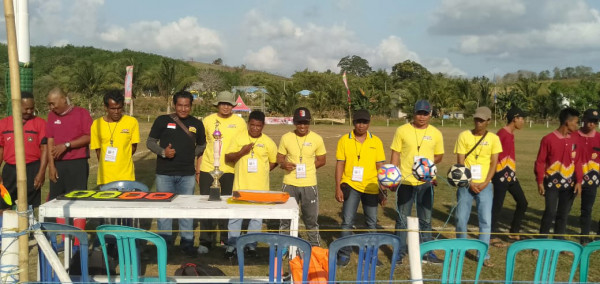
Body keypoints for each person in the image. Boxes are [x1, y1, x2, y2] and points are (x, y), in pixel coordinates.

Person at [146, 90, 206, 255]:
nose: (183, 109)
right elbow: (150, 142)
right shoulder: (162, 120)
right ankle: (165, 245)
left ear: (191, 106)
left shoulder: (197, 124)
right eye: (180, 105)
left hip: (187, 175)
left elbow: (202, 145)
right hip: (165, 174)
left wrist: (190, 153)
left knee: (186, 210)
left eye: (187, 105)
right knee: (165, 211)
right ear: (174, 105)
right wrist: (163, 152)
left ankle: (187, 244)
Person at [390, 100, 444, 265]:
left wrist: (426, 168)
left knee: (426, 219)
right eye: (419, 113)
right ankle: (399, 252)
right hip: (405, 182)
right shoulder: (402, 130)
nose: (422, 116)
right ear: (413, 113)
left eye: (425, 113)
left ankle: (426, 252)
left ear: (430, 114)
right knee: (402, 219)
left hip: (425, 183)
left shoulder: (436, 133)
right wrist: (393, 176)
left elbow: (439, 156)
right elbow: (395, 154)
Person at [334, 109, 385, 266]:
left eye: (364, 122)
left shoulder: (376, 141)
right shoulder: (344, 140)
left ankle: (371, 255)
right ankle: (344, 253)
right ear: (353, 122)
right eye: (358, 122)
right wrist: (338, 187)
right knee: (347, 221)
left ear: (369, 123)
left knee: (371, 222)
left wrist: (383, 190)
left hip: (371, 187)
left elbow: (380, 167)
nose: (361, 125)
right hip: (351, 185)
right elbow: (340, 164)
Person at [224, 110, 278, 258]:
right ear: (248, 124)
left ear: (263, 126)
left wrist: (262, 172)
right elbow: (228, 157)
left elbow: (274, 162)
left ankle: (251, 245)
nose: (255, 128)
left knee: (256, 217)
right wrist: (242, 152)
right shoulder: (239, 138)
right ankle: (232, 245)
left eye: (258, 126)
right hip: (240, 186)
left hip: (260, 188)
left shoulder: (268, 142)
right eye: (252, 125)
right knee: (235, 216)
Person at [197, 91, 246, 253]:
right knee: (206, 204)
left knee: (227, 204)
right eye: (222, 103)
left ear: (233, 106)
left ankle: (226, 238)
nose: (225, 107)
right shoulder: (208, 120)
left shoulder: (240, 123)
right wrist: (198, 170)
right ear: (217, 104)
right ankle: (205, 240)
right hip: (208, 168)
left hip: (230, 170)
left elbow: (243, 148)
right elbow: (202, 147)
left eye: (229, 104)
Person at [454, 106, 502, 267]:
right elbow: (460, 161)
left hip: (485, 185)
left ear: (488, 121)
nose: (478, 122)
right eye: (476, 119)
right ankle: (460, 249)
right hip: (465, 184)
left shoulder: (494, 139)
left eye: (482, 120)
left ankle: (483, 255)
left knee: (485, 221)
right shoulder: (464, 136)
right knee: (461, 218)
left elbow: (494, 162)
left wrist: (486, 182)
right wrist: (470, 182)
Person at [278, 107, 326, 247]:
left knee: (311, 219)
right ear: (294, 122)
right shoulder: (286, 137)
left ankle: (314, 247)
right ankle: (284, 247)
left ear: (309, 122)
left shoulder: (317, 138)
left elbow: (322, 160)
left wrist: (309, 169)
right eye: (299, 123)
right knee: (285, 218)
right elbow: (280, 158)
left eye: (305, 123)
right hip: (289, 183)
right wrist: (283, 164)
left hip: (309, 184)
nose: (302, 126)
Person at [535, 107, 582, 241]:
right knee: (550, 212)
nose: (577, 125)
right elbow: (540, 162)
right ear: (568, 122)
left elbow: (578, 162)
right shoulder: (548, 139)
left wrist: (578, 181)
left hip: (569, 184)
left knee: (563, 214)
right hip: (551, 183)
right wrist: (539, 181)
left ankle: (559, 241)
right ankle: (541, 241)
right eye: (576, 122)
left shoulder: (575, 140)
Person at [0, 91, 47, 212]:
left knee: (29, 206)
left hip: (32, 169)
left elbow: (44, 149)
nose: (29, 111)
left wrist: (41, 173)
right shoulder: (4, 124)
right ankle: (6, 229)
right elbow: (1, 149)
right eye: (26, 108)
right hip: (10, 170)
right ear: (17, 106)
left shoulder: (40, 123)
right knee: (4, 204)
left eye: (32, 108)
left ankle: (27, 229)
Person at [490, 107, 529, 247]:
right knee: (497, 205)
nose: (523, 121)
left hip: (510, 176)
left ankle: (514, 231)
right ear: (514, 119)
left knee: (523, 202)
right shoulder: (503, 134)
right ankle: (491, 235)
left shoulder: (510, 134)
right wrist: (493, 174)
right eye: (522, 118)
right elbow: (494, 155)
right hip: (501, 175)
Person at [46, 87, 93, 201]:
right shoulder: (51, 116)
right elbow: (50, 140)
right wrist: (51, 166)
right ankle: (53, 220)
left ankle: (77, 219)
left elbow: (89, 137)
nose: (51, 107)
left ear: (63, 99)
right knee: (55, 200)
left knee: (77, 200)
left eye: (53, 103)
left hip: (77, 164)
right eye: (49, 104)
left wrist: (66, 145)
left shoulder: (82, 113)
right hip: (58, 164)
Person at [90, 90, 140, 185]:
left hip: (126, 177)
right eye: (112, 108)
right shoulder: (97, 125)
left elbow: (133, 147)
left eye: (119, 108)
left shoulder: (132, 122)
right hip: (106, 178)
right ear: (106, 107)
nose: (116, 112)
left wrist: (122, 158)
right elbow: (98, 152)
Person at [570, 109, 599, 244]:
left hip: (592, 181)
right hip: (572, 179)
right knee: (565, 210)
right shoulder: (573, 135)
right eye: (590, 120)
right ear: (584, 119)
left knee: (587, 210)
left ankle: (584, 239)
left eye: (595, 121)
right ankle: (559, 238)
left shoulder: (599, 138)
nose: (592, 124)